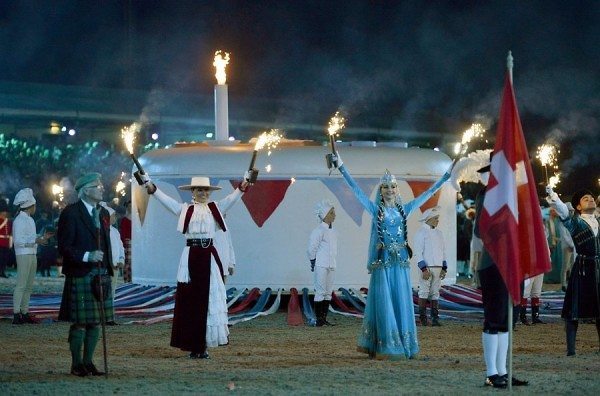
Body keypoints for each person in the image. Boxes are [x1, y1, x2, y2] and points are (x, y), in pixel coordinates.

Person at [329, 151, 450, 359]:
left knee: (400, 300)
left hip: (400, 263)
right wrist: (341, 166)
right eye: (385, 187)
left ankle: (403, 343)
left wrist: (444, 178)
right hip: (383, 262)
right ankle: (384, 344)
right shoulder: (376, 209)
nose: (390, 190)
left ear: (397, 189)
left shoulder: (406, 209)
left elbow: (427, 194)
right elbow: (356, 191)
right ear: (381, 190)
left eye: (393, 186)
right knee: (384, 300)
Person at [143, 174, 250, 359]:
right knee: (191, 300)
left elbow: (232, 199)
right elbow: (167, 202)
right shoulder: (185, 209)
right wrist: (152, 188)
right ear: (192, 191)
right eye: (199, 189)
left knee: (209, 299)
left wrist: (242, 187)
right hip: (191, 257)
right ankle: (192, 343)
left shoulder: (215, 208)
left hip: (208, 256)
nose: (203, 193)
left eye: (206, 190)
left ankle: (204, 344)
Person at [473, 159, 528, 388]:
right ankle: (491, 372)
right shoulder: (487, 195)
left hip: (513, 263)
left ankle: (503, 371)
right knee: (494, 319)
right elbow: (479, 229)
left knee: (507, 320)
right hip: (493, 263)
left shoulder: (517, 197)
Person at [57, 173, 115, 377]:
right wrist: (86, 255)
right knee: (80, 322)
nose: (101, 188)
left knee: (95, 321)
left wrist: (108, 266)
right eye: (96, 186)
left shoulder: (104, 214)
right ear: (85, 190)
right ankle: (76, 364)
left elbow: (106, 243)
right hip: (81, 272)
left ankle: (89, 362)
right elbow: (64, 247)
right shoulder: (70, 213)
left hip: (101, 274)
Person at [546, 187, 599, 356]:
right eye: (585, 199)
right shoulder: (575, 222)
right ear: (578, 207)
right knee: (573, 310)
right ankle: (571, 350)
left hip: (598, 269)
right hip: (582, 269)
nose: (590, 200)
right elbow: (563, 211)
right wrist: (553, 196)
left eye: (591, 198)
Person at [12, 188, 52, 325]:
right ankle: (16, 314)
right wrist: (35, 240)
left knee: (28, 286)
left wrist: (40, 237)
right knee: (21, 285)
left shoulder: (30, 220)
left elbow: (29, 238)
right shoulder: (19, 220)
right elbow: (18, 242)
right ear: (30, 205)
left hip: (31, 253)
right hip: (23, 254)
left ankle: (24, 312)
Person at [413, 206, 447, 327]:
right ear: (429, 219)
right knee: (423, 291)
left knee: (435, 292)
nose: (438, 221)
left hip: (438, 267)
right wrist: (423, 268)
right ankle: (423, 318)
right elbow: (418, 252)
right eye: (436, 218)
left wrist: (444, 267)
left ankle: (435, 318)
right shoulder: (421, 233)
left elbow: (443, 251)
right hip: (426, 267)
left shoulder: (439, 233)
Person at [307, 199, 338, 327]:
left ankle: (323, 318)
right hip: (321, 264)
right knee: (320, 291)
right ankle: (319, 319)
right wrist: (313, 260)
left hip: (331, 264)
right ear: (325, 215)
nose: (334, 215)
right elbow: (311, 248)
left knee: (328, 291)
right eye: (332, 213)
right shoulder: (318, 230)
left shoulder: (333, 232)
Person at [100, 202, 125, 325]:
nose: (115, 218)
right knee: (104, 292)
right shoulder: (101, 232)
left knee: (112, 292)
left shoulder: (115, 231)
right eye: (113, 215)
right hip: (105, 268)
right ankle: (102, 316)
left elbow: (120, 247)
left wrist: (121, 260)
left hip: (115, 267)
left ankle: (109, 317)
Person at [544, 207, 563, 283]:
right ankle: (549, 279)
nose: (556, 213)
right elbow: (547, 233)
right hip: (550, 244)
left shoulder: (558, 221)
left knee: (558, 262)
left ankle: (557, 279)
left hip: (558, 244)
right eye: (554, 211)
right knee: (550, 262)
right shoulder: (547, 221)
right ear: (551, 212)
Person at [559, 202, 575, 292]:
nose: (571, 212)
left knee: (573, 265)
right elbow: (565, 236)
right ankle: (563, 284)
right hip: (567, 246)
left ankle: (571, 283)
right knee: (565, 266)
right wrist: (572, 244)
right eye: (570, 211)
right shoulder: (562, 222)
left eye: (572, 211)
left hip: (573, 246)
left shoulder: (573, 221)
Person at [119, 200, 132, 283]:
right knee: (128, 263)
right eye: (129, 206)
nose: (131, 207)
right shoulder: (124, 219)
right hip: (128, 243)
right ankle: (127, 280)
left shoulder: (137, 218)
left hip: (135, 243)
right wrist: (123, 245)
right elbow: (123, 234)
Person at [0, 198, 12, 278]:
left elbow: (11, 233)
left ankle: (3, 271)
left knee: (5, 258)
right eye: (3, 212)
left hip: (6, 242)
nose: (5, 213)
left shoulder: (9, 221)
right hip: (0, 241)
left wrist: (10, 243)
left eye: (5, 212)